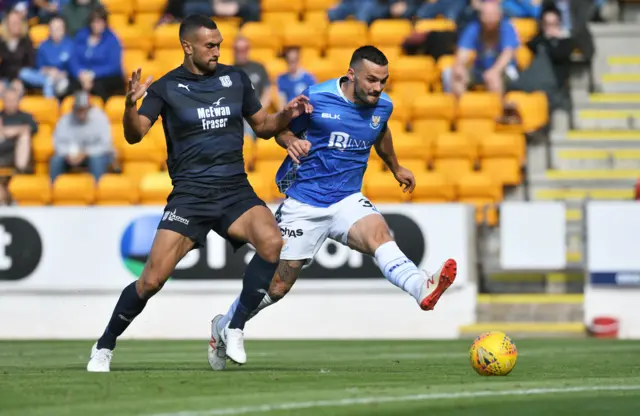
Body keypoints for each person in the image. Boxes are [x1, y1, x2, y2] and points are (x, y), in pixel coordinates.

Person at [86, 14, 311, 373]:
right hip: (190, 196)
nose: (217, 51)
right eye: (210, 45)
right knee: (151, 280)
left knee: (272, 241)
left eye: (219, 44)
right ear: (187, 47)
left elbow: (265, 127)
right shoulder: (165, 87)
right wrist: (130, 106)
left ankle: (232, 326)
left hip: (234, 189)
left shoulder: (236, 78)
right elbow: (134, 135)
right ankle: (104, 345)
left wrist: (287, 113)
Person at [209, 46, 458, 369]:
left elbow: (380, 130)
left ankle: (420, 286)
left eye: (383, 81)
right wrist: (290, 141)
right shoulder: (318, 97)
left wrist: (396, 167)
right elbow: (279, 128)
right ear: (351, 74)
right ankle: (224, 325)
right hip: (304, 203)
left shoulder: (383, 105)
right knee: (279, 286)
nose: (377, 88)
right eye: (371, 80)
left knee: (379, 234)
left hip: (347, 199)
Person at [49, 91, 113, 182]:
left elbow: (106, 144)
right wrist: (68, 154)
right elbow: (57, 143)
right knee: (56, 160)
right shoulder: (65, 120)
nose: (81, 112)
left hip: (95, 154)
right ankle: (54, 189)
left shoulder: (100, 118)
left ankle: (97, 190)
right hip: (70, 156)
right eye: (79, 109)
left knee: (96, 160)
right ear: (73, 108)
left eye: (84, 109)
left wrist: (85, 153)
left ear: (89, 108)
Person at [68, 5, 124, 102]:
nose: (96, 25)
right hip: (82, 76)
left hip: (105, 77)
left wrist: (93, 74)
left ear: (105, 23)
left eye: (99, 22)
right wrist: (80, 73)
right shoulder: (81, 36)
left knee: (98, 86)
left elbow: (113, 66)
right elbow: (73, 58)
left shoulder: (112, 39)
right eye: (94, 21)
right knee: (70, 86)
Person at [19, 15, 73, 98]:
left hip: (63, 77)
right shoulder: (43, 45)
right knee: (23, 73)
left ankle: (51, 106)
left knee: (60, 84)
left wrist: (61, 74)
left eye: (58, 28)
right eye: (52, 28)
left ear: (63, 30)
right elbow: (39, 67)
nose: (55, 31)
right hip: (45, 76)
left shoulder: (70, 45)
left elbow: (73, 67)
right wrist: (49, 71)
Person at [0, 87, 36, 204]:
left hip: (17, 154)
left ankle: (20, 169)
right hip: (2, 151)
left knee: (24, 136)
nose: (10, 103)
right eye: (8, 100)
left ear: (18, 101)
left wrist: (6, 131)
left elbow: (31, 129)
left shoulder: (25, 116)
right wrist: (17, 130)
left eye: (13, 100)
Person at [276, 47, 316, 112]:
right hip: (289, 114)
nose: (291, 63)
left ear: (299, 60)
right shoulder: (281, 78)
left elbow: (313, 99)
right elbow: (281, 100)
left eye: (294, 60)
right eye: (289, 60)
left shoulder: (309, 78)